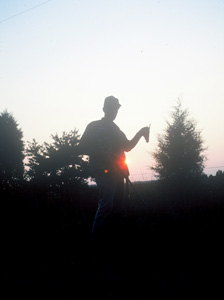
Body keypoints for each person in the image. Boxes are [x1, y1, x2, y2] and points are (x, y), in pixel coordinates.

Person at [78, 96, 149, 241]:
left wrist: (141, 133)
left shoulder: (116, 129)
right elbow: (82, 147)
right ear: (104, 109)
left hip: (119, 173)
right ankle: (97, 243)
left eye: (116, 109)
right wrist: (101, 153)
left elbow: (127, 147)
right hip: (104, 172)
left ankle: (112, 242)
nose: (114, 112)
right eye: (111, 108)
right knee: (106, 207)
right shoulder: (94, 126)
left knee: (117, 208)